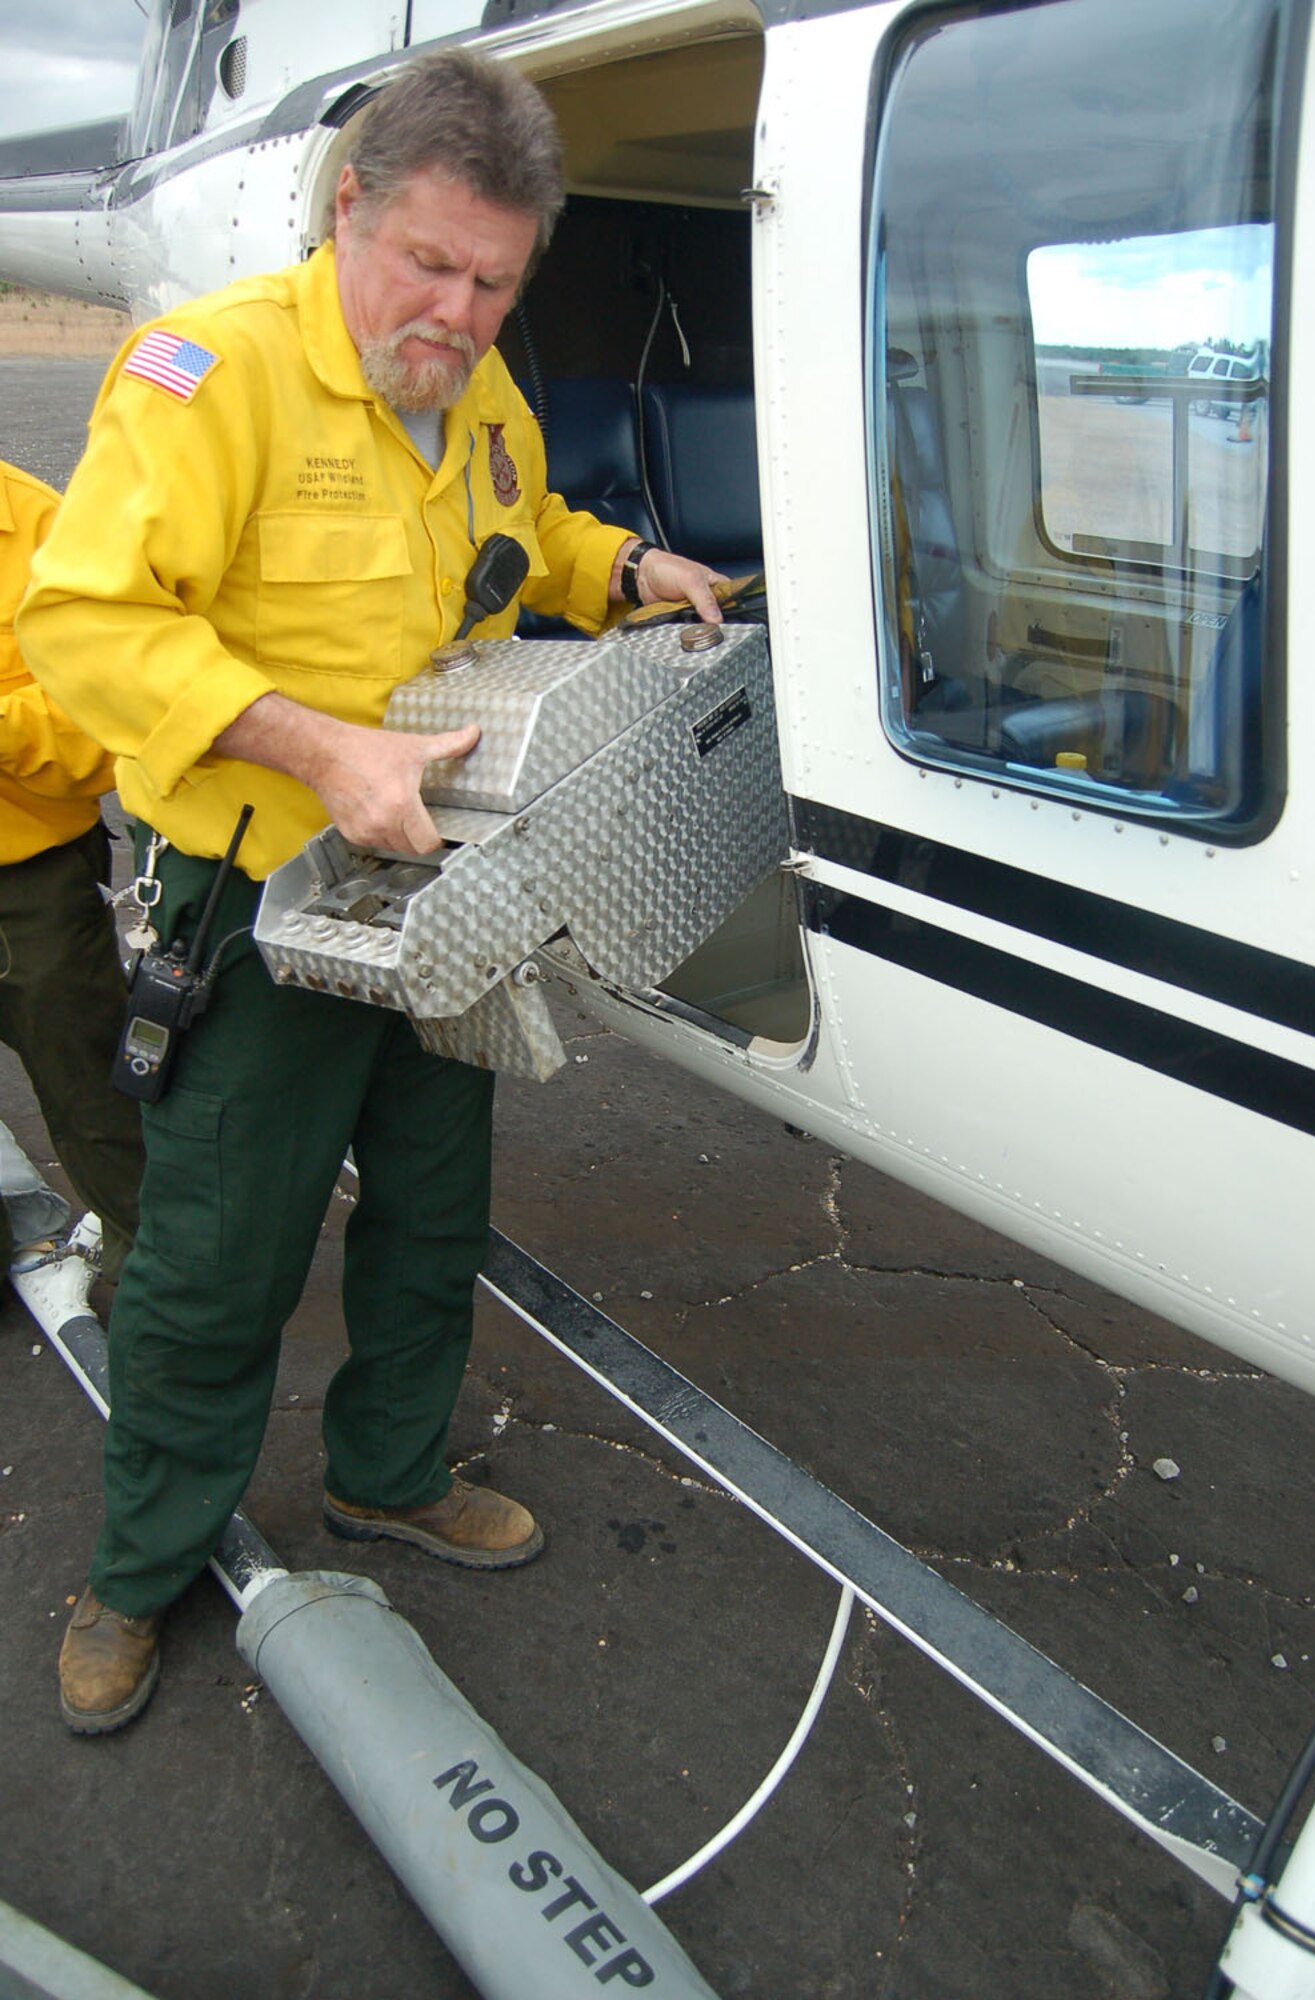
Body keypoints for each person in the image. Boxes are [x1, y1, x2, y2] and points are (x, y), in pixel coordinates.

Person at [18, 48, 729, 1735]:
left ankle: (387, 1474)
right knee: (214, 1257)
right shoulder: (209, 378)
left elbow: (519, 525)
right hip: (261, 901)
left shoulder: (470, 389)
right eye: (429, 265)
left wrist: (624, 567)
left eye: (494, 283)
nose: (461, 312)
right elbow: (87, 624)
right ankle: (138, 1565)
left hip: (442, 884)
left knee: (430, 1207)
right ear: (350, 211)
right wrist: (315, 747)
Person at [0, 456, 144, 1282]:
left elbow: (97, 722)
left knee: (91, 1095)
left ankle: (144, 1283)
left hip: (27, 884)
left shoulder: (42, 528)